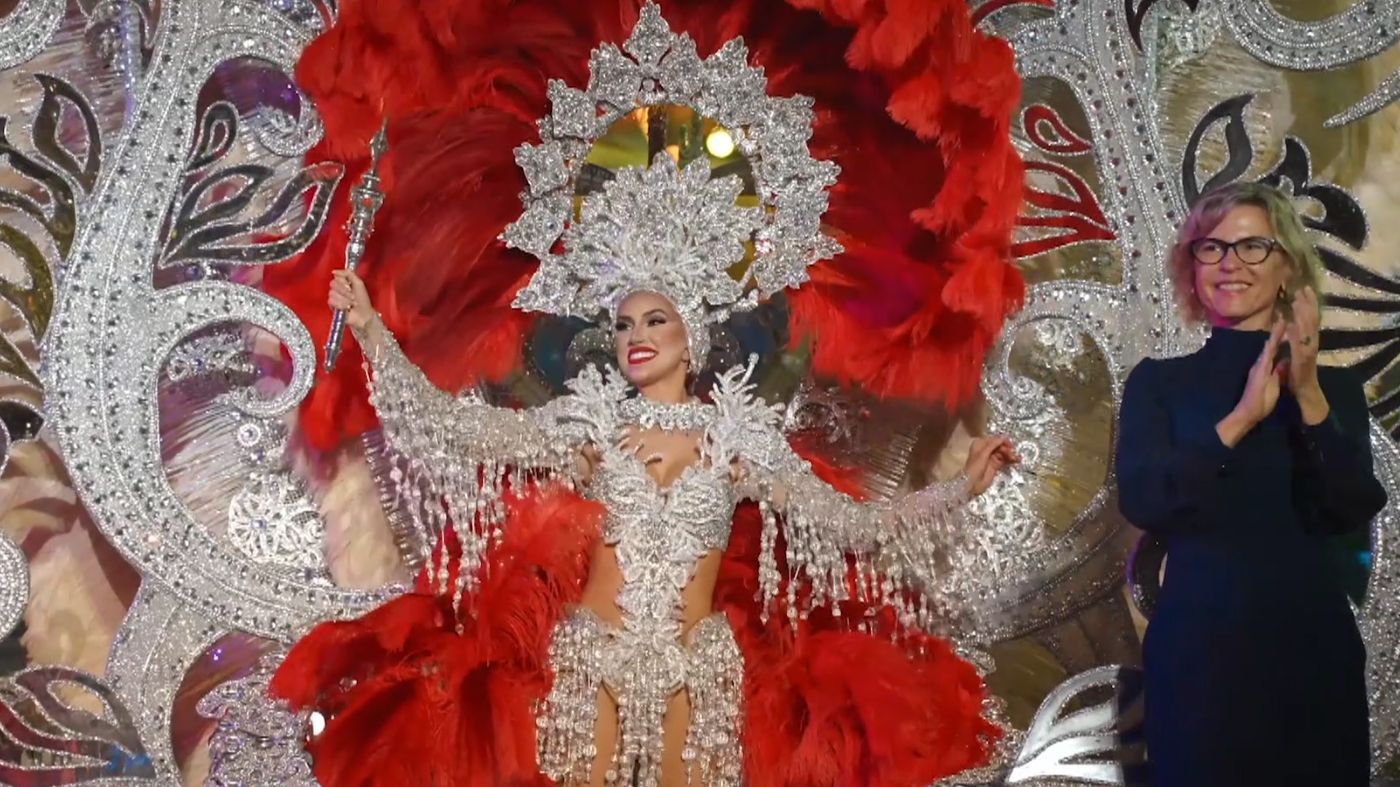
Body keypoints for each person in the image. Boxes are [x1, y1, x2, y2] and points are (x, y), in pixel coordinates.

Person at [267, 9, 1027, 784]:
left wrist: (963, 487)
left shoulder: (736, 441)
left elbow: (854, 526)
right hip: (590, 663)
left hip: (697, 677)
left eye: (655, 320)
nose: (635, 336)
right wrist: (370, 327)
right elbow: (448, 427)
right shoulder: (589, 424)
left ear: (692, 334)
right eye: (625, 322)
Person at [1115, 182, 1386, 786]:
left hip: (1312, 659)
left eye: (1252, 247)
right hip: (1201, 663)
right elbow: (1145, 499)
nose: (1230, 263)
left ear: (1288, 266)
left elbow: (1351, 507)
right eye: (1211, 248)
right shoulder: (1159, 384)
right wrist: (1238, 420)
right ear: (1192, 267)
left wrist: (1308, 394)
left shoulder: (1334, 391)